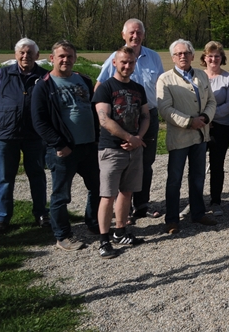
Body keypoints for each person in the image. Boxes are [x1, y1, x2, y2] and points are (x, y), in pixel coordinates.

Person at [32, 40, 101, 251]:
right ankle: (62, 235)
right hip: (63, 149)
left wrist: (97, 137)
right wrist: (59, 144)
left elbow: (93, 110)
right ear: (52, 58)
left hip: (88, 146)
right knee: (61, 195)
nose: (66, 60)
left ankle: (93, 223)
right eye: (61, 56)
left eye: (70, 56)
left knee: (97, 187)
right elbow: (39, 121)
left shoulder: (84, 80)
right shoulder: (44, 85)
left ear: (75, 58)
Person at [96, 18, 164, 221]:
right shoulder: (114, 58)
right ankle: (120, 208)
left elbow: (161, 85)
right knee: (119, 163)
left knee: (145, 162)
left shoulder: (153, 57)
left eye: (139, 32)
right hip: (120, 121)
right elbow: (99, 87)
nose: (135, 36)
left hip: (147, 117)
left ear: (144, 35)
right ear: (123, 35)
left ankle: (142, 204)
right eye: (131, 32)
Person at [93, 46, 149, 258]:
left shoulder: (138, 88)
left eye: (131, 62)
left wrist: (138, 138)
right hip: (112, 149)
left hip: (134, 148)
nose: (127, 66)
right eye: (123, 62)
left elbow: (145, 116)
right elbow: (104, 119)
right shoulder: (105, 88)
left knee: (127, 192)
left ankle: (120, 231)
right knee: (108, 195)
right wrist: (128, 138)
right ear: (114, 63)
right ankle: (104, 240)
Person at [157, 39, 217, 234]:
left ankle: (198, 213)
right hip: (180, 137)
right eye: (178, 53)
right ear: (173, 57)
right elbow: (165, 109)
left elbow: (211, 101)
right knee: (174, 179)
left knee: (198, 176)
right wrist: (189, 121)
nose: (183, 56)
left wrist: (205, 118)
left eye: (186, 53)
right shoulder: (165, 79)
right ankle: (172, 219)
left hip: (200, 135)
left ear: (192, 55)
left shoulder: (202, 75)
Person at [0, 38, 49, 234]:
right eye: (22, 52)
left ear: (37, 55)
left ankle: (41, 213)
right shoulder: (2, 74)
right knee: (4, 178)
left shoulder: (45, 77)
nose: (25, 56)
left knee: (37, 175)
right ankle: (2, 217)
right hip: (5, 134)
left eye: (29, 52)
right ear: (16, 54)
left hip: (34, 135)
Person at [201, 41, 229, 215]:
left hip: (220, 127)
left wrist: (208, 117)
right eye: (210, 56)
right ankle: (196, 201)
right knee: (197, 166)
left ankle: (215, 201)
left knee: (217, 165)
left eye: (217, 56)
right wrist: (203, 120)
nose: (213, 59)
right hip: (199, 127)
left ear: (222, 58)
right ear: (204, 58)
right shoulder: (197, 77)